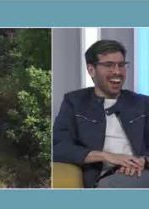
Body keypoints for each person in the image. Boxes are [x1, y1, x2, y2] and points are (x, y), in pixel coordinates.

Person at [53, 39, 149, 188]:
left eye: (121, 65)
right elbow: (58, 147)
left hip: (140, 172)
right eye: (109, 65)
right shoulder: (75, 102)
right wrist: (107, 156)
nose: (117, 71)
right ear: (91, 70)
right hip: (104, 177)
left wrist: (144, 161)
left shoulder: (142, 103)